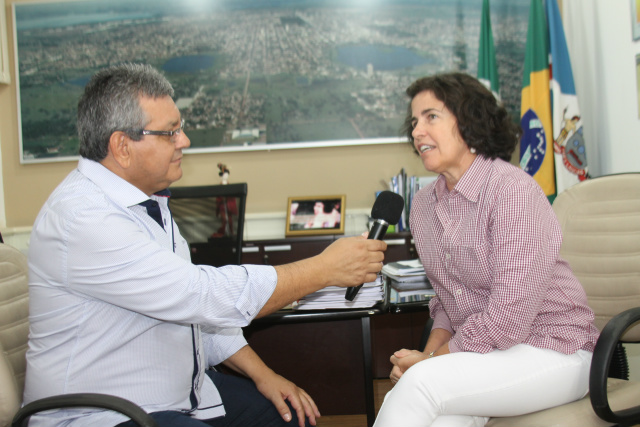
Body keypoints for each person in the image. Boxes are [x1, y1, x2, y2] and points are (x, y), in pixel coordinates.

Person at [24, 63, 387, 427]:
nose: (184, 141)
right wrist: (323, 270)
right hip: (103, 414)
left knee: (289, 417)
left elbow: (198, 318)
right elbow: (201, 296)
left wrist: (264, 376)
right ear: (122, 146)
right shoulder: (84, 217)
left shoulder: (148, 204)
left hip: (180, 396)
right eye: (170, 132)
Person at [373, 72, 599, 427]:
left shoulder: (512, 192)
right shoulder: (423, 206)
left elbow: (507, 320)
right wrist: (430, 354)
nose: (417, 131)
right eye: (414, 121)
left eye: (431, 117)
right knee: (439, 419)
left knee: (419, 386)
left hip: (556, 349)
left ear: (469, 120)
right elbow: (448, 304)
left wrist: (430, 363)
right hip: (484, 354)